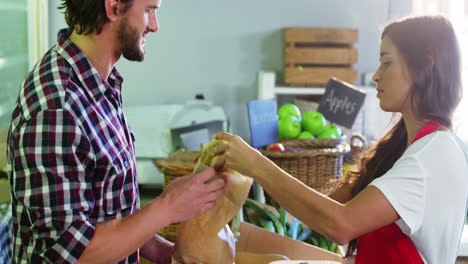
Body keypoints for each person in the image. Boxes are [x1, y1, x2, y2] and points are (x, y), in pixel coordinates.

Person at [213, 15, 468, 264]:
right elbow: (328, 208)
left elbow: (341, 224)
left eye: (387, 63)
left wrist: (257, 164)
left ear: (425, 66)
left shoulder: (434, 154)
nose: (376, 75)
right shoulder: (405, 148)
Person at [6, 0, 226, 263]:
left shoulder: (100, 82)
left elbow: (114, 218)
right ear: (113, 7)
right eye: (148, 11)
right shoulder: (56, 108)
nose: (154, 26)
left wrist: (172, 256)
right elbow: (70, 254)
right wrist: (167, 207)